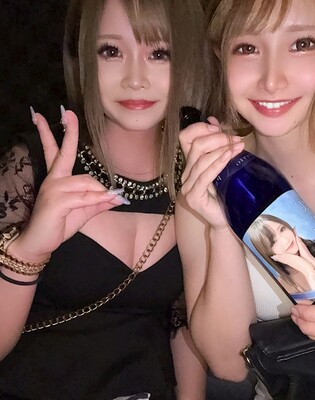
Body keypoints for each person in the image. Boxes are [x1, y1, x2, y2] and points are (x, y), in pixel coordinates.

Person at [176, 0, 315, 398]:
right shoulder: (202, 190)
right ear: (222, 58)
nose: (272, 80)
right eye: (247, 48)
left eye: (303, 44)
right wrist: (222, 226)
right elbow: (228, 364)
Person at [0, 0, 209, 399]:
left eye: (159, 54)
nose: (135, 79)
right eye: (111, 51)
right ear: (85, 59)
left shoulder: (197, 177)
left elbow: (185, 329)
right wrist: (28, 252)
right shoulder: (32, 167)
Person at [247, 214, 315, 296]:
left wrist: (312, 261)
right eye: (273, 242)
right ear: (269, 253)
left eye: (282, 229)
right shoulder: (284, 285)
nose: (285, 240)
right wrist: (307, 269)